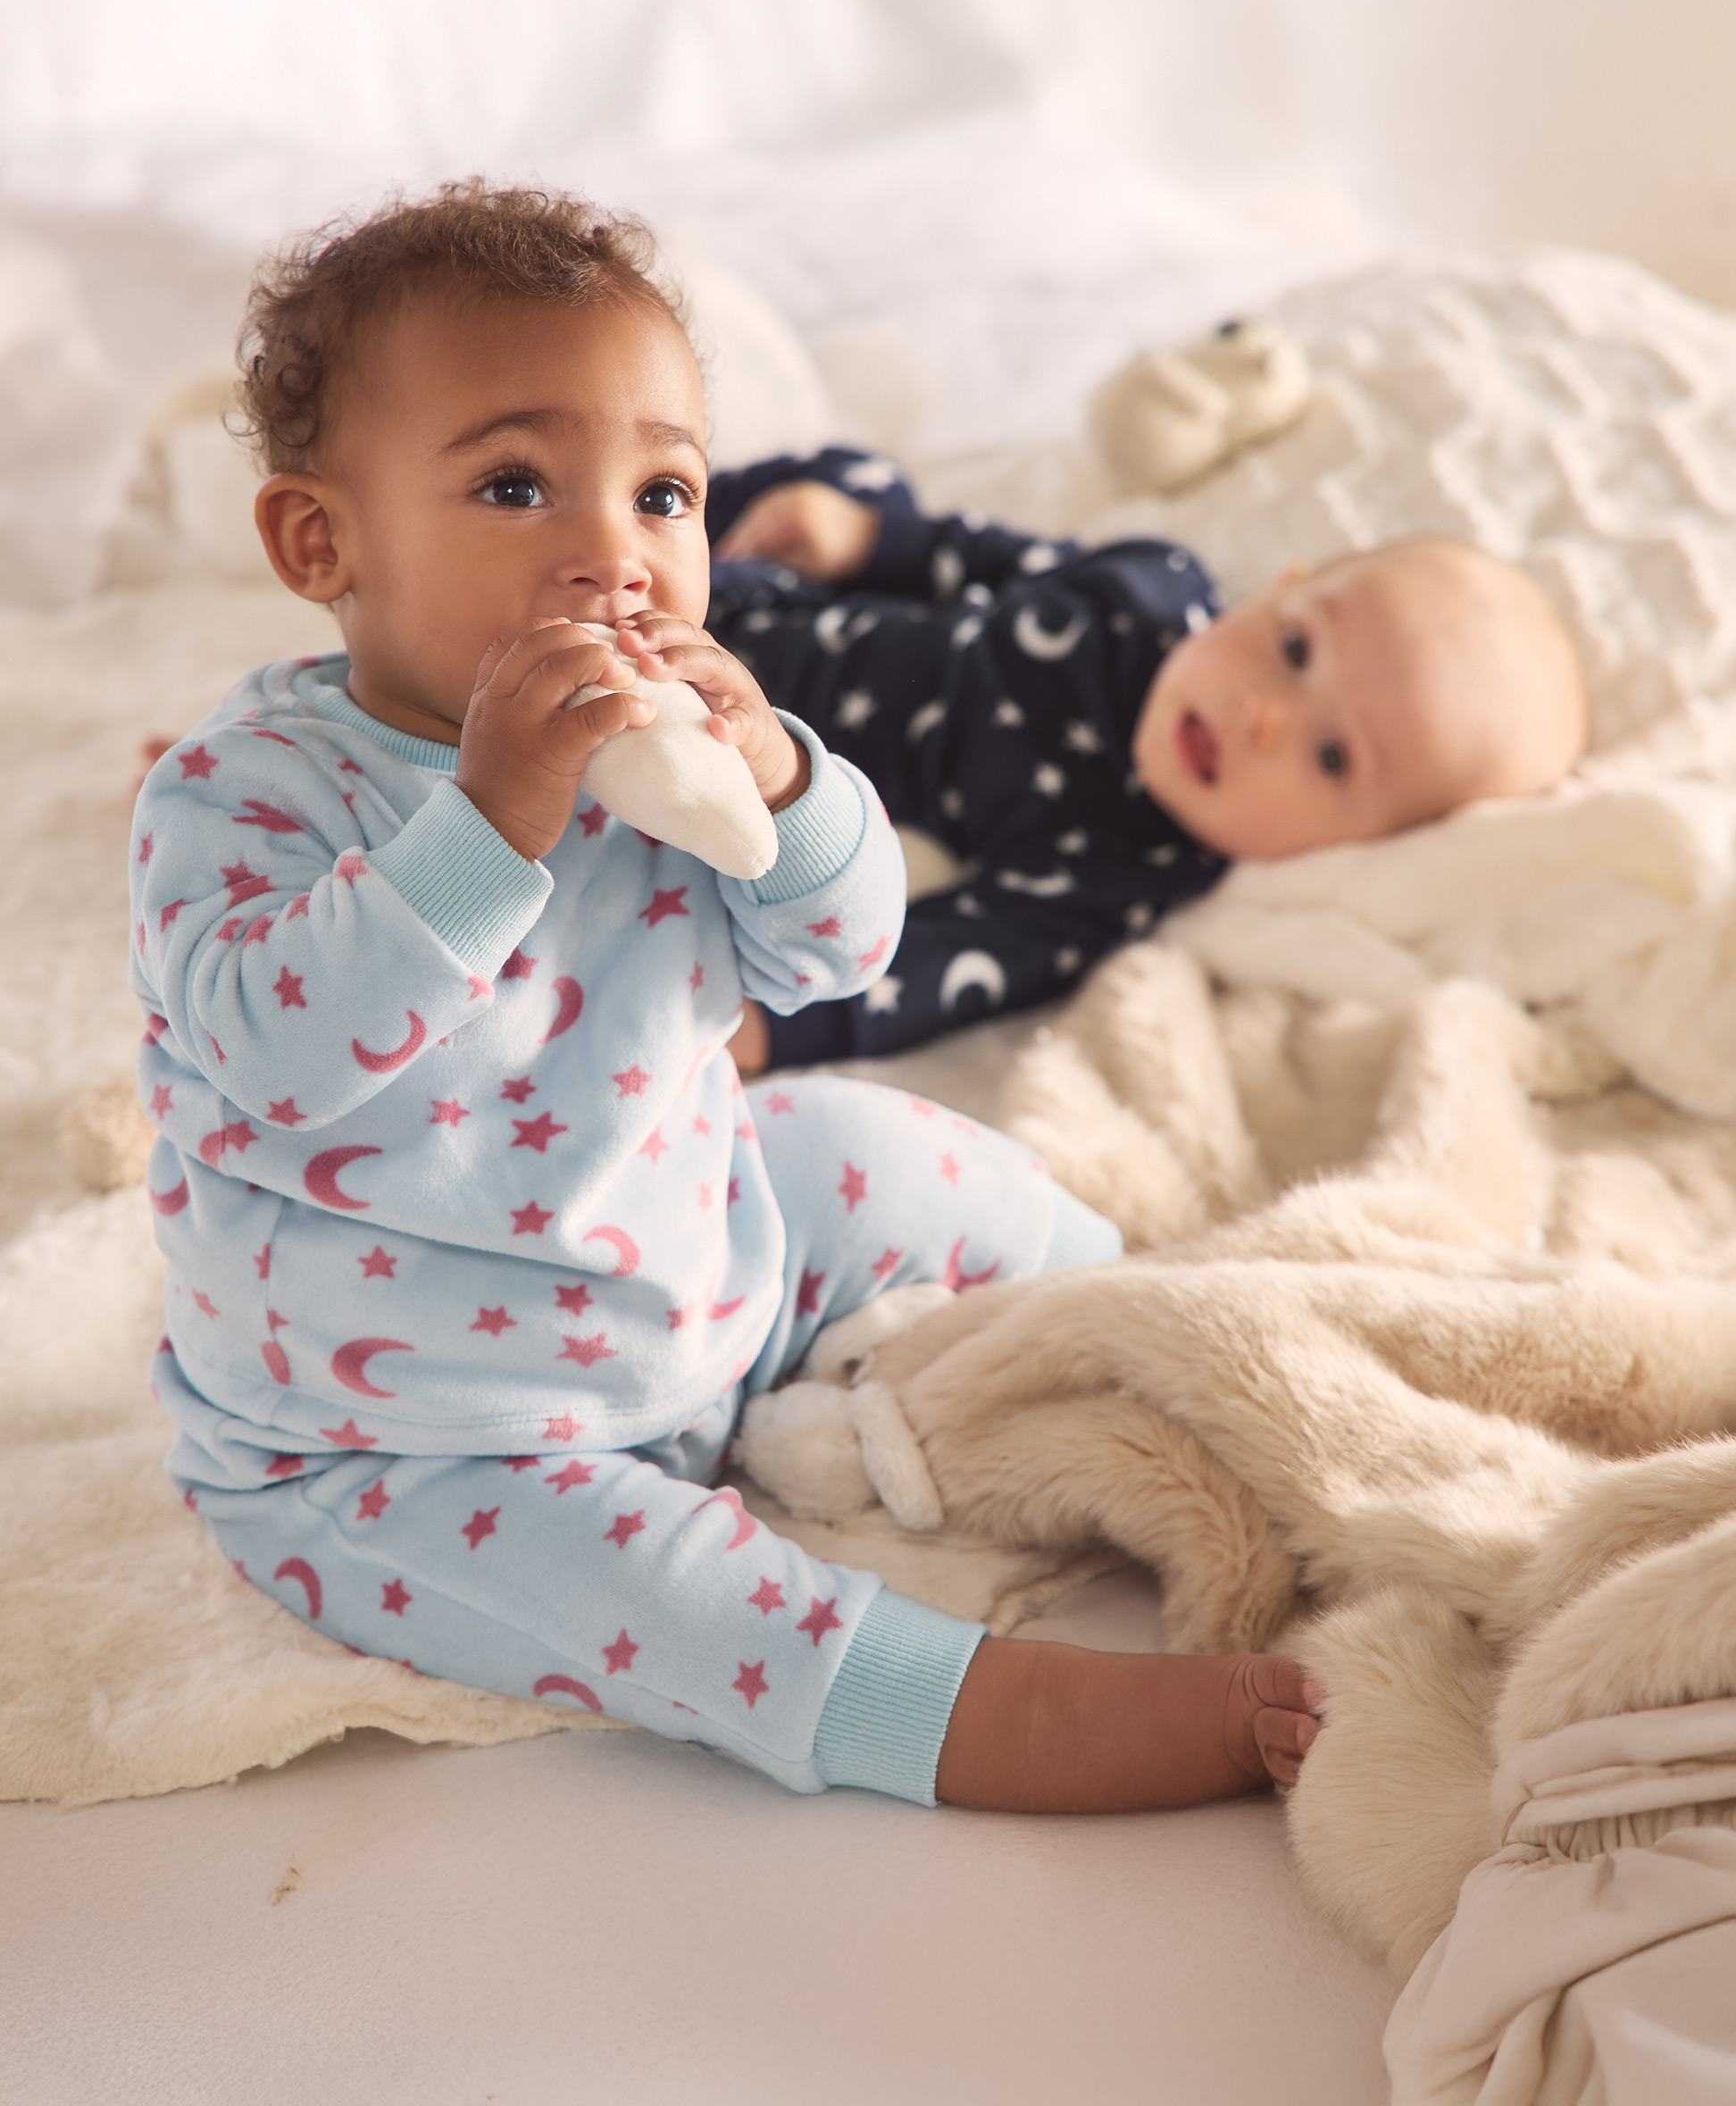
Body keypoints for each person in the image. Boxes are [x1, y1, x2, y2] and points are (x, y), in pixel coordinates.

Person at [129, 182, 1319, 1815]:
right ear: (321, 540)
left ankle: (1166, 1315)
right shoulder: (241, 795)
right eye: (515, 483)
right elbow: (278, 1052)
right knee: (701, 1616)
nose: (613, 553)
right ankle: (1019, 1713)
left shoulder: (672, 753)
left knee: (874, 1146)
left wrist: (776, 774)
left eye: (665, 490)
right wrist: (486, 820)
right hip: (412, 1435)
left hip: (703, 1257)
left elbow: (841, 951)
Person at [703, 456, 1589, 1072]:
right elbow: (988, 558)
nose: (1262, 718)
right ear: (1282, 587)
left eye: (1331, 756)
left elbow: (964, 957)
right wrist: (868, 539)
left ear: (1351, 845)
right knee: (845, 479)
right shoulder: (1155, 585)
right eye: (1293, 647)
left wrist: (777, 1034)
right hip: (774, 592)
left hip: (749, 741)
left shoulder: (1131, 860)